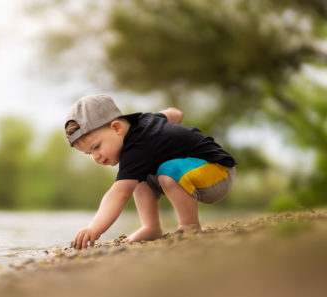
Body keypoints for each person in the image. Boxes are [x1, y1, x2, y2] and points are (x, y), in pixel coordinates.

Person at [65, 94, 236, 249]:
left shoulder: (137, 147)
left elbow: (119, 193)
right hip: (196, 174)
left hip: (218, 171)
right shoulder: (144, 123)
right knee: (138, 174)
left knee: (167, 171)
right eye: (89, 153)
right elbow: (173, 114)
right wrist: (172, 130)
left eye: (96, 147)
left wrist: (94, 228)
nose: (96, 157)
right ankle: (151, 227)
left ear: (116, 128)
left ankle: (189, 226)